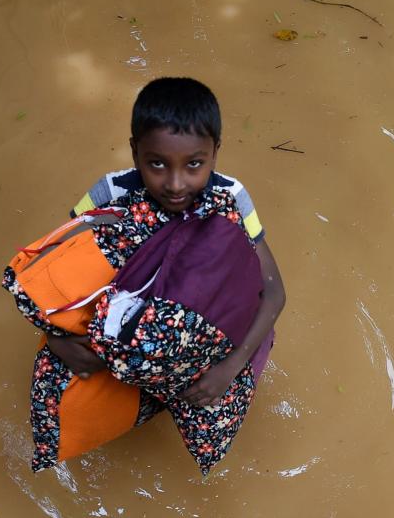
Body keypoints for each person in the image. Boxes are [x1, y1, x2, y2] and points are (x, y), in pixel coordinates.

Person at [45, 77, 286, 407]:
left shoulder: (230, 199)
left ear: (215, 153)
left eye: (194, 165)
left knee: (221, 399)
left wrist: (230, 368)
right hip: (130, 332)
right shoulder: (112, 196)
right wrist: (57, 339)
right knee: (58, 377)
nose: (175, 183)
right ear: (135, 152)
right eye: (157, 163)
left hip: (200, 337)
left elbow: (273, 292)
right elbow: (54, 280)